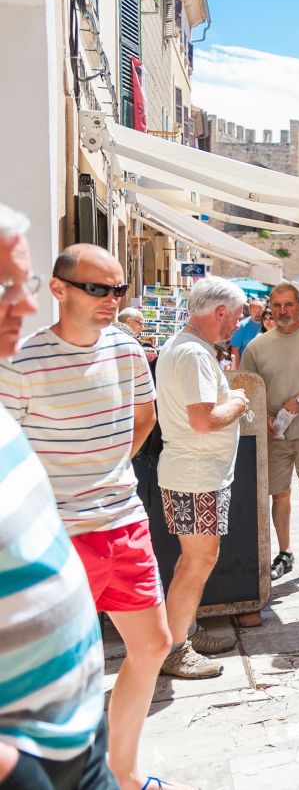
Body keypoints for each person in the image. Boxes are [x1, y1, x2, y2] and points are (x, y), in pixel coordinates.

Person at [0, 243, 172, 790]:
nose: (111, 300)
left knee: (153, 645)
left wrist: (109, 470)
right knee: (54, 678)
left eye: (117, 289)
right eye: (98, 288)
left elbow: (143, 416)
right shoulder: (21, 363)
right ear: (59, 289)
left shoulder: (126, 349)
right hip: (58, 537)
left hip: (123, 520)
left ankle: (125, 773)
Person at [0, 207, 117, 789]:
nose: (22, 306)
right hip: (23, 755)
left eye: (19, 286)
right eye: (4, 287)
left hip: (77, 725)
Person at [153, 277, 251, 680]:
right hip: (195, 475)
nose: (239, 324)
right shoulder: (193, 353)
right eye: (239, 315)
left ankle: (184, 632)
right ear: (220, 313)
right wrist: (240, 403)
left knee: (195, 560)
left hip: (195, 473)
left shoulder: (187, 347)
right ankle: (175, 648)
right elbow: (204, 420)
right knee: (197, 560)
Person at [239, 282, 299, 582]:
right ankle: (284, 553)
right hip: (273, 434)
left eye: (289, 304)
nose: (283, 311)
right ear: (270, 307)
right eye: (277, 305)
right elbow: (246, 388)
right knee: (279, 495)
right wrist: (266, 416)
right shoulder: (257, 346)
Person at [228, 297, 264, 369]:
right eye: (254, 311)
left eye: (260, 311)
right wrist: (238, 371)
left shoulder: (268, 324)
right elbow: (235, 350)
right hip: (247, 368)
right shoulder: (242, 326)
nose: (258, 314)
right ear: (250, 311)